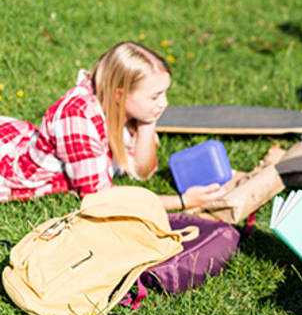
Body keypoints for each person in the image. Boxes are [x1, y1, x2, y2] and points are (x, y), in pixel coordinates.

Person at [0, 41, 225, 209]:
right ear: (120, 94)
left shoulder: (119, 106)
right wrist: (182, 202)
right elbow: (99, 198)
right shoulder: (78, 118)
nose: (164, 103)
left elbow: (143, 171)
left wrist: (148, 124)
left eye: (164, 93)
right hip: (15, 173)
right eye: (155, 96)